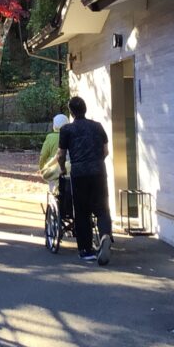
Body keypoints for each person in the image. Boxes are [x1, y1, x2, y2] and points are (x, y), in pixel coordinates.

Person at [57, 96, 112, 265]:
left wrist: (62, 168)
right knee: (102, 209)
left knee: (82, 211)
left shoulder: (66, 130)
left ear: (71, 112)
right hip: (99, 171)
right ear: (85, 109)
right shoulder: (98, 126)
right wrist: (96, 162)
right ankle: (105, 235)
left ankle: (86, 250)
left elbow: (60, 155)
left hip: (79, 173)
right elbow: (105, 151)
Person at [39, 113, 69, 192]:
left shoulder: (50, 137)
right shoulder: (71, 136)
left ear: (54, 125)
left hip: (53, 169)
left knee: (53, 190)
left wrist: (41, 167)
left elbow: (43, 155)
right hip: (69, 169)